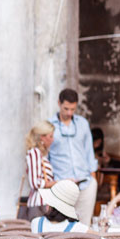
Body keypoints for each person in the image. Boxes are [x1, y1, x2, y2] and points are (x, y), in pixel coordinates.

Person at [48, 89, 99, 225]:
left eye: (73, 109)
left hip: (85, 183)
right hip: (61, 184)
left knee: (84, 226)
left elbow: (89, 152)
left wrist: (93, 180)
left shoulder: (83, 123)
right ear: (59, 103)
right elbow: (45, 156)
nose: (69, 113)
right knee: (61, 227)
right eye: (66, 109)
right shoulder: (49, 125)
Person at [24, 121, 57, 219]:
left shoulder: (40, 155)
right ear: (42, 137)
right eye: (50, 136)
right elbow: (34, 183)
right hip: (38, 205)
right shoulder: (34, 153)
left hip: (43, 205)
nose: (52, 140)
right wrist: (56, 183)